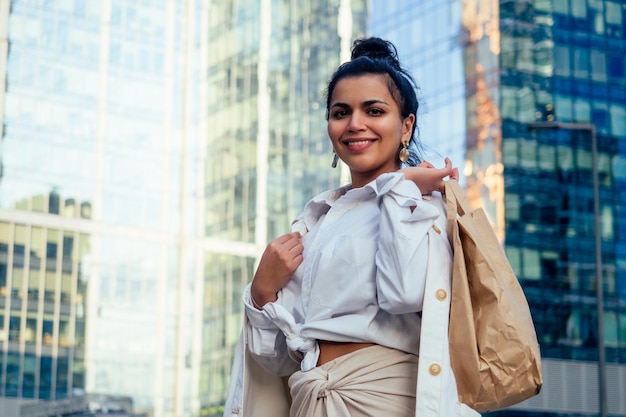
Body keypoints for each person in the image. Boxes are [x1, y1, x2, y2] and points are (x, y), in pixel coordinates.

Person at [224, 37, 477, 417]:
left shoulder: (422, 204)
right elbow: (278, 362)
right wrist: (261, 294)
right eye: (341, 112)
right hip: (312, 402)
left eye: (374, 111)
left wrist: (398, 187)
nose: (355, 124)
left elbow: (404, 292)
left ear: (405, 125)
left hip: (383, 403)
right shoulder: (317, 221)